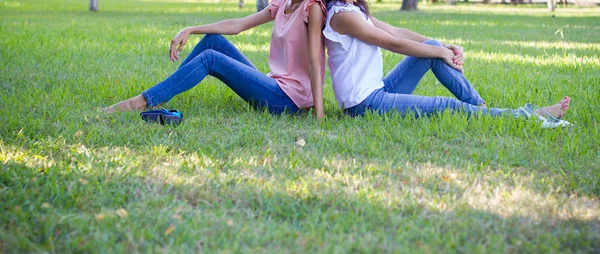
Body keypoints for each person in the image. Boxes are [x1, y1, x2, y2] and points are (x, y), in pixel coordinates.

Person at [322, 0, 571, 127]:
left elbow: (397, 32)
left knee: (430, 45)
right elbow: (393, 44)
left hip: (379, 91)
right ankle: (524, 116)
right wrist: (440, 53)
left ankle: (480, 109)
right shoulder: (342, 16)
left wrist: (442, 47)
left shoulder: (355, 10)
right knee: (445, 105)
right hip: (363, 104)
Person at [105, 0, 328, 120]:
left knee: (211, 58)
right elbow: (238, 25)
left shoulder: (313, 8)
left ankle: (142, 101)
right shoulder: (284, 3)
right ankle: (162, 95)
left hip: (288, 100)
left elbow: (316, 62)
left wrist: (319, 115)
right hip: (275, 85)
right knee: (213, 41)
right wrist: (191, 29)